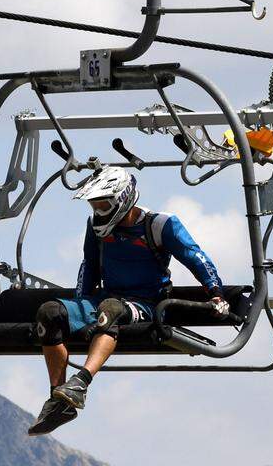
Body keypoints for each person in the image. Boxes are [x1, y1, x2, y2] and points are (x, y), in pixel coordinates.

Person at [28, 166, 228, 436]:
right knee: (49, 312)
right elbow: (89, 265)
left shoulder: (160, 225)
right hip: (104, 299)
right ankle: (59, 401)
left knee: (110, 310)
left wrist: (216, 292)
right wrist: (81, 306)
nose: (98, 211)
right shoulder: (95, 228)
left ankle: (81, 383)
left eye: (103, 204)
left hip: (145, 304)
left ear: (122, 199)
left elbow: (195, 257)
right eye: (94, 205)